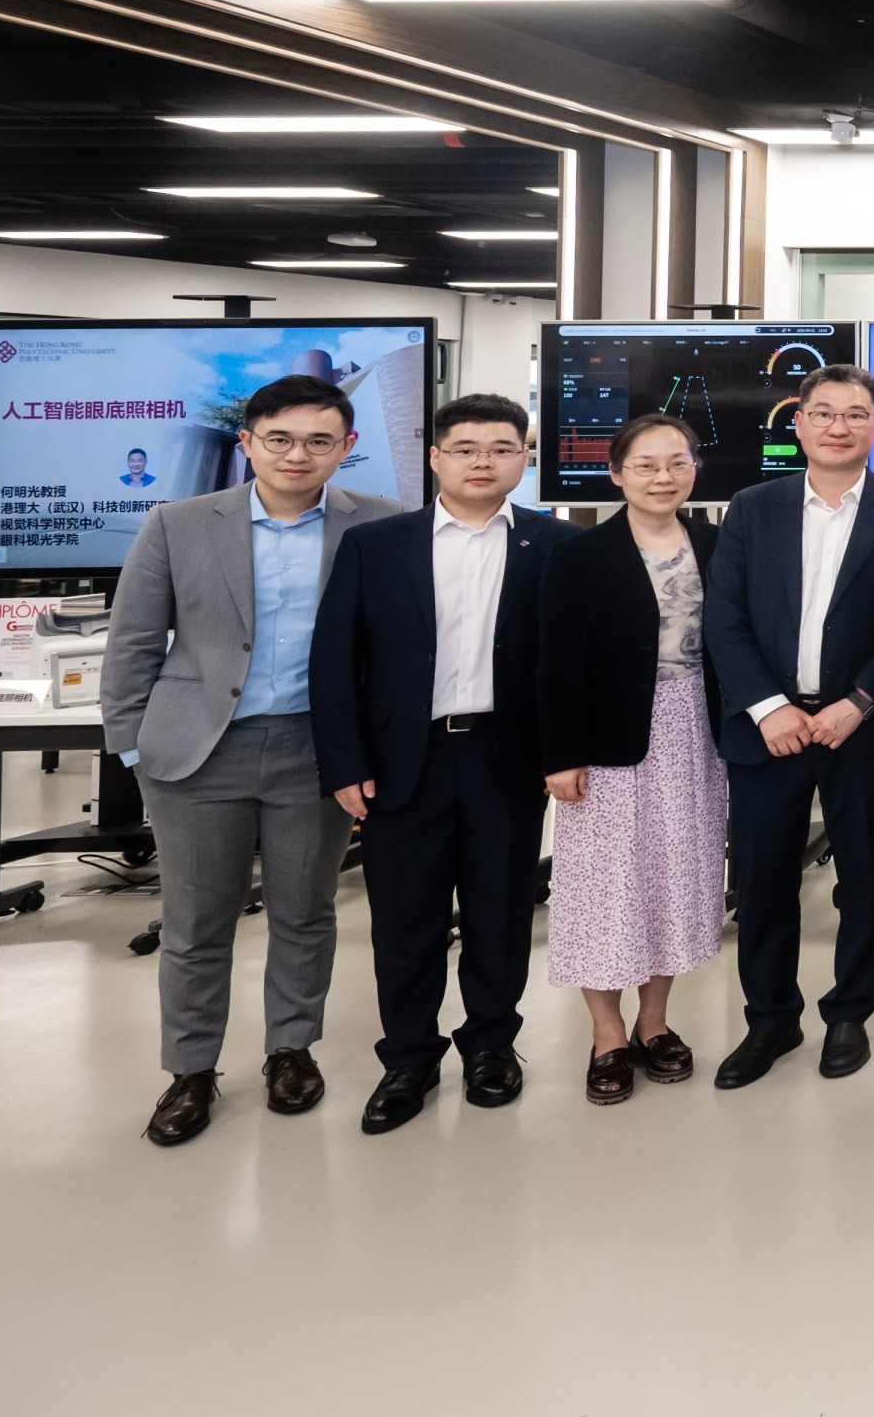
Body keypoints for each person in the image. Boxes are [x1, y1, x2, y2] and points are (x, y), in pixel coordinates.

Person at [108, 374, 403, 1148]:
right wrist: (134, 745)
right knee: (197, 921)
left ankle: (289, 1050)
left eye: (318, 440)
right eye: (279, 437)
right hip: (198, 753)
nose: (297, 453)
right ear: (248, 443)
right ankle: (190, 1069)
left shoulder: (378, 525)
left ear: (346, 447)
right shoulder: (176, 523)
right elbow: (134, 641)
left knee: (305, 912)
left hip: (319, 751)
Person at [310, 392, 581, 1133]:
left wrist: (563, 753)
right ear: (435, 457)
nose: (483, 461)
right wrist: (343, 762)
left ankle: (492, 1045)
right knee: (405, 919)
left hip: (507, 755)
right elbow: (335, 660)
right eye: (465, 448)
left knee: (499, 912)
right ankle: (408, 1057)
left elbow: (568, 665)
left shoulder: (555, 545)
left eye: (501, 448)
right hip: (404, 759)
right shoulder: (378, 544)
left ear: (524, 458)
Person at [702, 364, 874, 1088]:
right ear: (796, 424)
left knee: (864, 877)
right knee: (763, 880)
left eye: (854, 414)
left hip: (862, 725)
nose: (837, 426)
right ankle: (769, 1019)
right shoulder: (751, 507)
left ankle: (849, 1012)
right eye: (822, 413)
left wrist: (858, 700)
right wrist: (767, 706)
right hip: (769, 728)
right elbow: (724, 618)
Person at [536, 414, 730, 1109]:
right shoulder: (581, 554)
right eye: (645, 464)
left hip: (694, 734)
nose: (662, 477)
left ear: (693, 471)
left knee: (673, 878)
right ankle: (607, 1033)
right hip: (608, 740)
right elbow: (554, 661)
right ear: (616, 473)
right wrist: (560, 752)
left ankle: (655, 1022)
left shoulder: (716, 542)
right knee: (605, 884)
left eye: (676, 463)